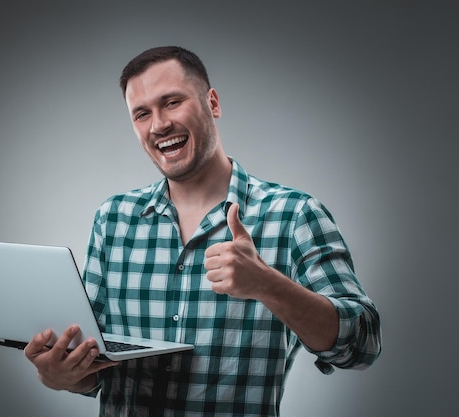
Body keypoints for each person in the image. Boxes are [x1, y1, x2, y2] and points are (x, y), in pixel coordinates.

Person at [24, 46, 382, 417]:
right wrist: (61, 375)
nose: (159, 124)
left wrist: (268, 285)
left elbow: (363, 345)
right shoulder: (113, 219)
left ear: (212, 103)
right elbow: (95, 366)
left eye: (172, 102)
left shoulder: (293, 216)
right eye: (142, 114)